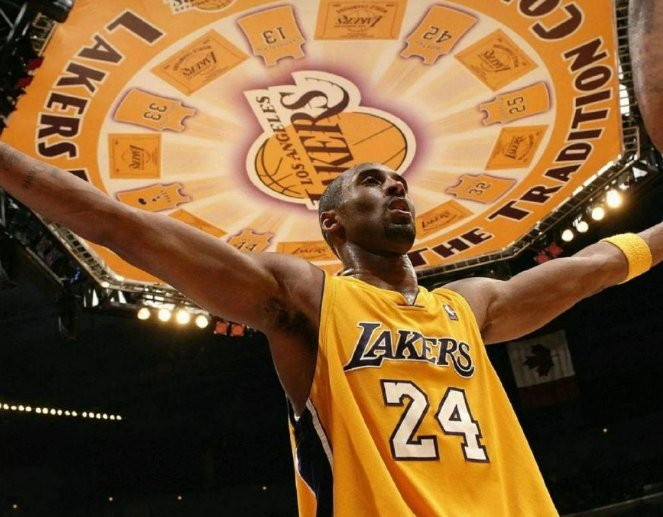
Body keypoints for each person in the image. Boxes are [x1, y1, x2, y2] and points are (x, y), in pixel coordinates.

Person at [0, 3, 662, 514]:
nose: (396, 187)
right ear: (332, 222)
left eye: (399, 182)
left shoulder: (468, 305)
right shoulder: (309, 298)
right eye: (372, 182)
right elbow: (123, 227)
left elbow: (599, 265)